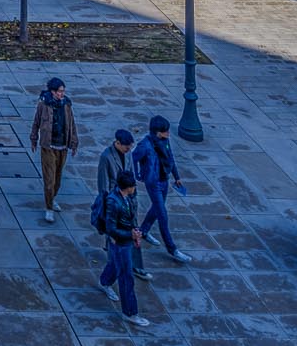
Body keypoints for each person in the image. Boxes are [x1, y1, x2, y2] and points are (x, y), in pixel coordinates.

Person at [131, 114, 192, 266]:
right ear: (158, 132)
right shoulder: (145, 145)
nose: (168, 134)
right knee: (162, 216)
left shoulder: (165, 142)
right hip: (153, 182)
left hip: (164, 180)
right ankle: (172, 249)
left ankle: (144, 230)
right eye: (165, 131)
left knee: (157, 208)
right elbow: (133, 157)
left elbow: (170, 158)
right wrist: (138, 174)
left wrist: (176, 176)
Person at [90, 171, 149, 327]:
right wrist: (130, 234)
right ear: (128, 187)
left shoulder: (126, 198)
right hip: (119, 243)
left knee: (116, 265)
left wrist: (135, 232)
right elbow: (111, 228)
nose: (135, 187)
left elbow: (129, 218)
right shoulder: (113, 202)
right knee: (126, 277)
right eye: (133, 186)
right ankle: (130, 312)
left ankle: (105, 281)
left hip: (125, 241)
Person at [29, 77, 79, 223]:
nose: (61, 94)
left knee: (57, 179)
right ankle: (49, 207)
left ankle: (52, 198)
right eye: (59, 92)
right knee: (49, 179)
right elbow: (36, 122)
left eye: (63, 91)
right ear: (52, 91)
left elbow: (72, 124)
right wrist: (34, 139)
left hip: (62, 146)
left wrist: (74, 142)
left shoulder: (67, 105)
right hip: (48, 146)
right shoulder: (44, 105)